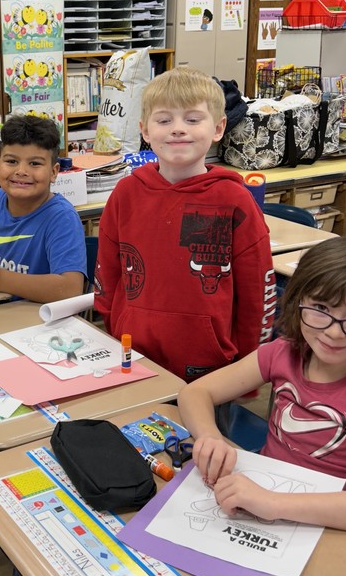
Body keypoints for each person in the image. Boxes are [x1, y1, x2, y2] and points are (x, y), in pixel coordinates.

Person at [179, 238, 346, 531]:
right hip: (265, 509)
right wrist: (211, 436)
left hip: (333, 527)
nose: (334, 331)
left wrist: (274, 503)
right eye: (321, 307)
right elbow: (195, 392)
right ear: (299, 302)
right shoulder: (284, 352)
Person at [95, 67, 275, 383]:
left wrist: (246, 375)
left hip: (210, 365)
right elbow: (108, 273)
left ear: (218, 128)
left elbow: (256, 295)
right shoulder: (126, 193)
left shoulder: (232, 200)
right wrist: (115, 328)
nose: (178, 129)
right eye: (164, 120)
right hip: (133, 352)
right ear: (145, 131)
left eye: (192, 119)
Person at [0, 113, 87, 303]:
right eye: (11, 161)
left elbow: (70, 288)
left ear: (54, 172)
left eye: (34, 163)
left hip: (36, 320)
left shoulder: (61, 218)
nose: (21, 171)